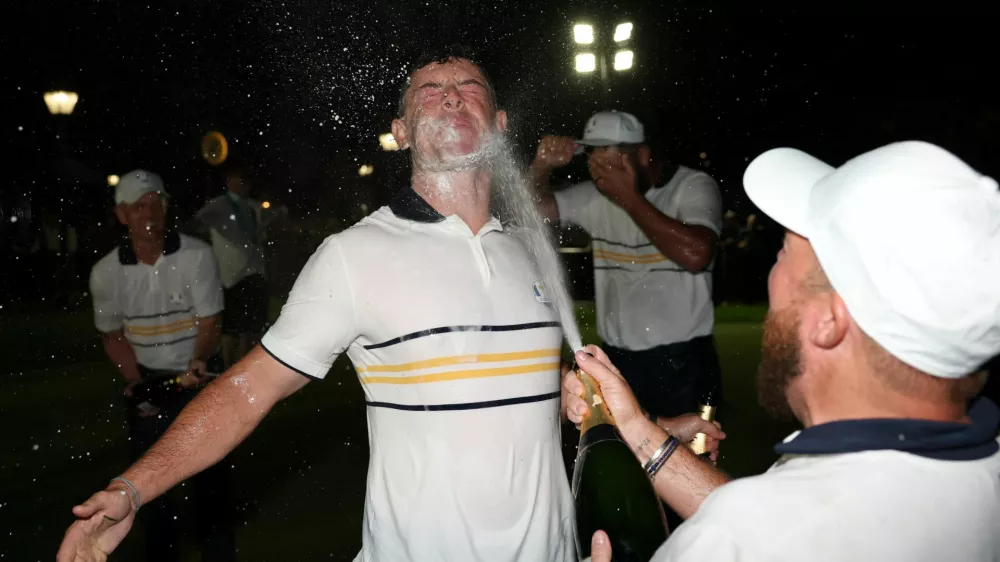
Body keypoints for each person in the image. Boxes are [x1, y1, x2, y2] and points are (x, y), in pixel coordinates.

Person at [55, 48, 725, 562]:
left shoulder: (527, 250)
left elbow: (523, 386)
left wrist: (648, 425)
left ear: (498, 124)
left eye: (468, 89)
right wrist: (131, 489)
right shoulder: (354, 256)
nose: (449, 98)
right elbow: (246, 390)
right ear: (402, 131)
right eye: (430, 93)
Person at [565, 141, 1000, 561]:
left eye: (784, 253)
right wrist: (637, 428)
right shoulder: (974, 474)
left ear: (829, 321)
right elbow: (781, 518)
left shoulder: (737, 542)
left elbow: (759, 533)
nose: (772, 277)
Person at [83, 169, 236, 561]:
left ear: (167, 207)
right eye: (138, 206)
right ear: (122, 214)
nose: (149, 212)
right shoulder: (105, 272)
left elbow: (210, 322)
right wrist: (134, 380)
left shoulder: (197, 255)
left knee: (210, 489)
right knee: (150, 491)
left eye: (156, 202)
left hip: (198, 377)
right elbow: (113, 335)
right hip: (149, 382)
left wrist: (198, 359)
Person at [530, 113, 724, 420]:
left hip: (683, 361)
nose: (599, 172)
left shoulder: (691, 186)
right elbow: (527, 215)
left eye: (609, 160)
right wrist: (541, 168)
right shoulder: (595, 197)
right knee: (628, 459)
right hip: (619, 360)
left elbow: (697, 254)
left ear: (642, 156)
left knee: (693, 458)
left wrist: (628, 197)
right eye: (594, 159)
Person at [190, 159, 273, 368]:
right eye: (241, 179)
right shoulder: (218, 205)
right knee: (232, 328)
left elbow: (257, 234)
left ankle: (245, 367)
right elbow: (197, 222)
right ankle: (228, 369)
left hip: (255, 271)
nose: (245, 183)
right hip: (232, 276)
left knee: (253, 326)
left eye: (248, 179)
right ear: (229, 181)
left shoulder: (252, 206)